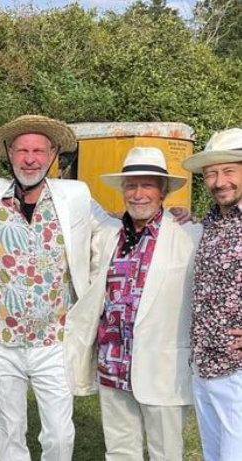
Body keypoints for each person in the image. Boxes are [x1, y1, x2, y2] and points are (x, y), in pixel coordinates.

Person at [0, 115, 112, 461]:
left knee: (59, 435)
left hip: (54, 340)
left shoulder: (75, 196)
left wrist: (168, 218)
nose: (30, 159)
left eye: (38, 151)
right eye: (22, 151)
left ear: (53, 154)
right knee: (8, 433)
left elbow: (111, 230)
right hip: (0, 339)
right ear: (9, 153)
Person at [64, 147, 201, 460]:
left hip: (163, 367)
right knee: (119, 451)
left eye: (147, 185)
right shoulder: (107, 234)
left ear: (163, 191)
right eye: (131, 186)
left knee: (166, 453)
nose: (138, 194)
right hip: (113, 362)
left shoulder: (190, 234)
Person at [181, 128, 242, 461]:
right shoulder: (213, 220)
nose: (219, 182)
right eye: (211, 174)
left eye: (229, 171)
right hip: (204, 364)